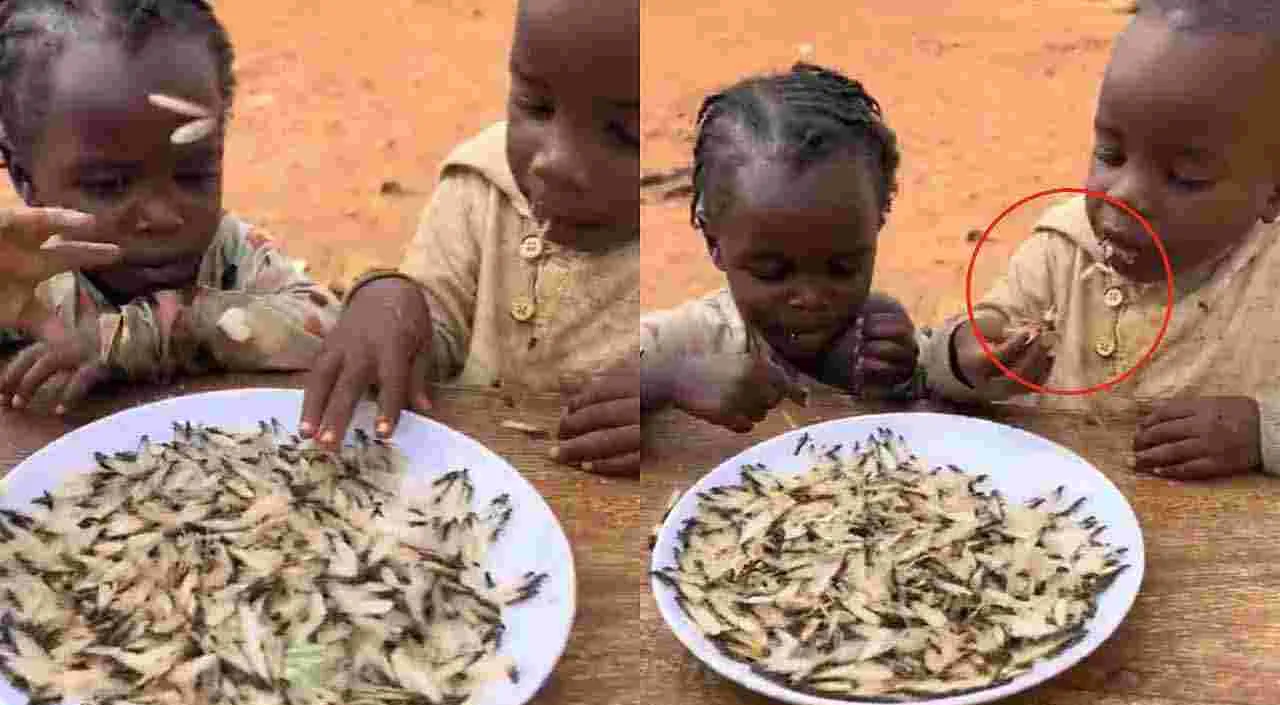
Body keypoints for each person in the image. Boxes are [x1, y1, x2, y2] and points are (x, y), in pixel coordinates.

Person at [921, 0, 1280, 480]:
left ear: (1273, 192)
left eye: (1185, 177)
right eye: (1111, 153)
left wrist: (1259, 431)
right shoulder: (1062, 250)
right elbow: (950, 358)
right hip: (1053, 528)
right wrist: (965, 358)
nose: (1125, 194)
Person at [300, 0, 640, 476]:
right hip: (451, 498)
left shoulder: (723, 240)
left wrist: (666, 390)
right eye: (536, 107)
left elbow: (731, 364)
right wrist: (390, 298)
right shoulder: (481, 189)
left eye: (625, 134)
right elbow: (428, 338)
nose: (555, 163)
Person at [0, 0, 341, 415]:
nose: (163, 216)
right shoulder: (24, 271)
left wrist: (143, 336)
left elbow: (327, 325)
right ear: (24, 179)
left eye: (194, 176)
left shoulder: (232, 253)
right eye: (110, 185)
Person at [640, 63, 921, 432]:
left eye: (843, 268)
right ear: (715, 243)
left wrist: (902, 379)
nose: (810, 297)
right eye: (773, 273)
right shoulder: (695, 340)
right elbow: (584, 375)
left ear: (877, 225)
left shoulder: (875, 333)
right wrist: (669, 381)